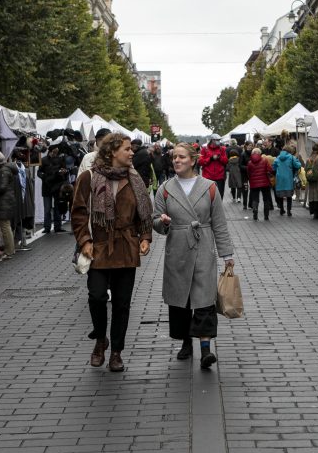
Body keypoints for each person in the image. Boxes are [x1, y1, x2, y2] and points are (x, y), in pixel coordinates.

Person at [71, 132, 153, 373]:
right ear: (112, 152)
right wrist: (85, 240)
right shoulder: (88, 178)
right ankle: (100, 340)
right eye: (127, 149)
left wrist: (145, 237)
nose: (132, 153)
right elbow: (78, 213)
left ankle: (116, 351)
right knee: (96, 296)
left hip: (126, 247)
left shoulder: (135, 179)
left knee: (122, 303)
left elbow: (143, 213)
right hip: (99, 246)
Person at [153, 143, 234, 369]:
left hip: (203, 246)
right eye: (174, 157)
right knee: (182, 300)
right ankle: (186, 342)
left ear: (193, 160)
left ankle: (206, 349)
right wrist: (163, 223)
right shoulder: (165, 189)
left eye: (181, 157)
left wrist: (226, 254)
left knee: (204, 298)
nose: (176, 161)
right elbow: (155, 221)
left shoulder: (209, 187)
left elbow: (219, 223)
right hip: (177, 248)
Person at [0, 150, 22, 259]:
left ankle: (9, 251)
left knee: (5, 226)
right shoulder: (7, 168)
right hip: (7, 201)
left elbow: (2, 187)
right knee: (6, 226)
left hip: (4, 202)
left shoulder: (3, 170)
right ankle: (9, 250)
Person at [37, 145, 67, 233]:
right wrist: (43, 177)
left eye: (56, 152)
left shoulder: (59, 159)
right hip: (47, 187)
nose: (55, 154)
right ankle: (47, 227)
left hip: (57, 187)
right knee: (47, 208)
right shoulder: (43, 160)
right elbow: (39, 172)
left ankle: (57, 227)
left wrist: (63, 172)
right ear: (50, 151)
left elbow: (64, 169)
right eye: (54, 152)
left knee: (57, 207)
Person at [272, 145, 302, 217]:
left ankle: (282, 210)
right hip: (288, 178)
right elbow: (298, 165)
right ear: (290, 151)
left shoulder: (278, 158)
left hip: (280, 178)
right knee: (289, 196)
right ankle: (289, 211)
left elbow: (273, 167)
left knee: (281, 196)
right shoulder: (291, 157)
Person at [246, 147, 274, 221]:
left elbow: (248, 173)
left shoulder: (250, 162)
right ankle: (266, 216)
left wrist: (251, 179)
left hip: (254, 183)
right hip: (265, 183)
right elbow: (270, 169)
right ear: (260, 153)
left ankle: (255, 212)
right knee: (266, 199)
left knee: (255, 198)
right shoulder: (265, 160)